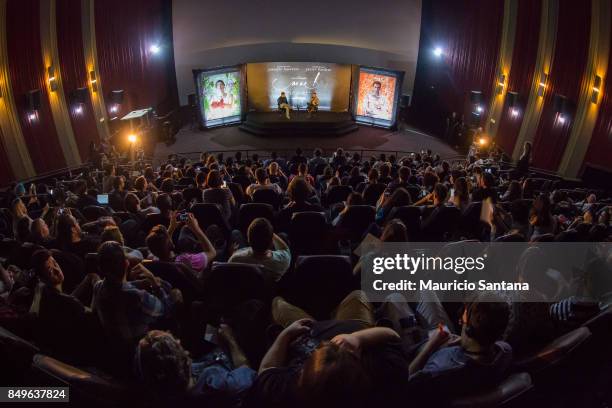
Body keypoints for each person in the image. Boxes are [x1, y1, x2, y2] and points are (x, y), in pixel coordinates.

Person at [408, 292, 512, 399]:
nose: (462, 315)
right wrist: (464, 340)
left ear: (475, 321)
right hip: (450, 346)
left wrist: (431, 345)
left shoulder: (437, 373)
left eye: (465, 313)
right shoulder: (504, 351)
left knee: (395, 299)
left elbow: (405, 383)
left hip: (416, 354)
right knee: (426, 293)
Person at [92, 241, 181, 345]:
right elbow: (165, 309)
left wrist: (137, 283)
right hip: (139, 348)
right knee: (176, 294)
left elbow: (118, 288)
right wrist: (153, 281)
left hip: (115, 346)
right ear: (126, 263)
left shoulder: (98, 287)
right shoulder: (137, 296)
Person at [135, 327, 255, 403]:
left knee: (207, 326)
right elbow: (247, 371)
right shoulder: (216, 384)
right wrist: (231, 339)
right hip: (239, 355)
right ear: (179, 359)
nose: (178, 341)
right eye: (175, 343)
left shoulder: (171, 383)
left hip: (215, 353)